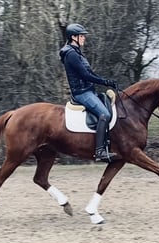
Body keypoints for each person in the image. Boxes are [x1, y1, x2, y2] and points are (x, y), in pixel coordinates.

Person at [59, 23, 117, 162]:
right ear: (73, 37)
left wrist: (106, 80)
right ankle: (99, 151)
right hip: (81, 93)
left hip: (88, 90)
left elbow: (90, 72)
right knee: (104, 114)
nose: (84, 38)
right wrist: (105, 82)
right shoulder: (71, 54)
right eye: (81, 36)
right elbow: (85, 75)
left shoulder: (77, 52)